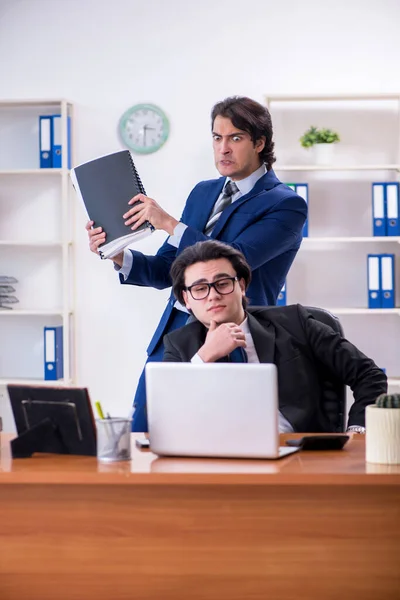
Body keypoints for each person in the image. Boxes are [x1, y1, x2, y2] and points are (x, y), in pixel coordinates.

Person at [86, 96, 307, 431]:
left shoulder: (286, 204)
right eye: (217, 138)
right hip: (174, 334)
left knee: (220, 439)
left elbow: (232, 260)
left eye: (235, 138)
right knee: (146, 431)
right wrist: (118, 254)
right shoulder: (203, 193)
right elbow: (168, 268)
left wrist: (169, 223)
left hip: (233, 338)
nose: (223, 149)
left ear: (260, 143)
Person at [164, 240, 387, 433]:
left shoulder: (294, 323)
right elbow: (166, 413)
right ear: (186, 299)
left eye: (222, 284)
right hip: (217, 462)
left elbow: (369, 375)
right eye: (200, 289)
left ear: (241, 285)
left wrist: (358, 429)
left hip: (299, 455)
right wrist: (205, 357)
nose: (213, 295)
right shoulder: (179, 344)